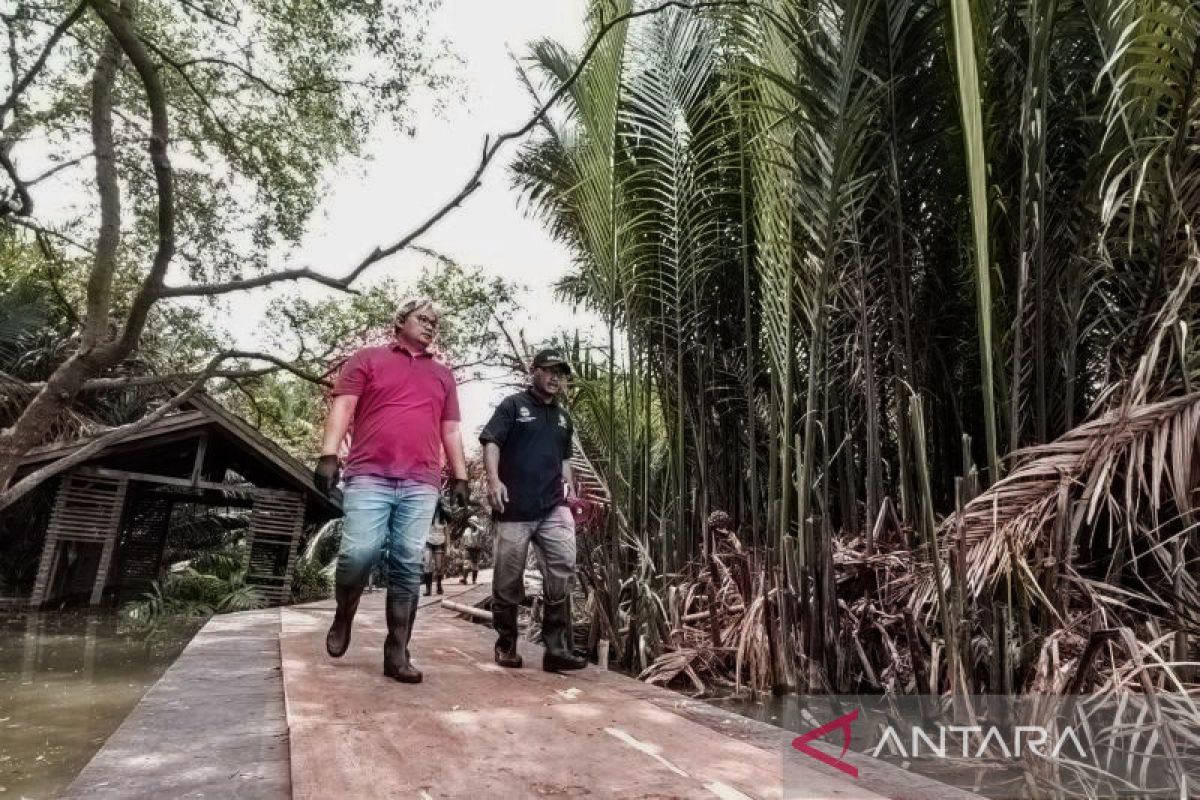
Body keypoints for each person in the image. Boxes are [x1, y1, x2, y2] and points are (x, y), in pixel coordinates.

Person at [313, 298, 470, 684]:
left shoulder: (443, 375)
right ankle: (344, 613)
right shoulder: (367, 359)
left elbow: (450, 430)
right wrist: (329, 454)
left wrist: (462, 476)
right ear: (400, 321)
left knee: (407, 563)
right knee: (359, 552)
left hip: (421, 481)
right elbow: (344, 407)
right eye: (423, 318)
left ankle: (397, 650)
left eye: (435, 322)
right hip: (369, 475)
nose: (430, 325)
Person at [479, 349, 587, 672]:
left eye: (561, 373)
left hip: (553, 506)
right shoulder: (513, 405)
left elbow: (564, 461)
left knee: (563, 566)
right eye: (550, 371)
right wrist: (494, 480)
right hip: (514, 508)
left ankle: (556, 649)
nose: (556, 378)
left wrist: (571, 494)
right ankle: (507, 645)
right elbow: (491, 442)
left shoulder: (563, 418)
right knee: (508, 578)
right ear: (534, 371)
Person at [423, 501, 449, 596]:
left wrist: (448, 547)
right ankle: (428, 589)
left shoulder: (444, 518)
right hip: (428, 541)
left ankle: (439, 585)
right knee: (427, 564)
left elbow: (447, 534)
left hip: (440, 542)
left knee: (439, 566)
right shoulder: (427, 516)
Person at [459, 515, 483, 584]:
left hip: (476, 549)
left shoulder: (479, 529)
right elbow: (464, 537)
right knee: (466, 563)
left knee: (475, 565)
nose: (471, 523)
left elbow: (482, 530)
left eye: (473, 522)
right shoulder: (467, 529)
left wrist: (475, 524)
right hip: (468, 548)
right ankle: (464, 579)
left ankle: (474, 580)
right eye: (471, 522)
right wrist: (462, 546)